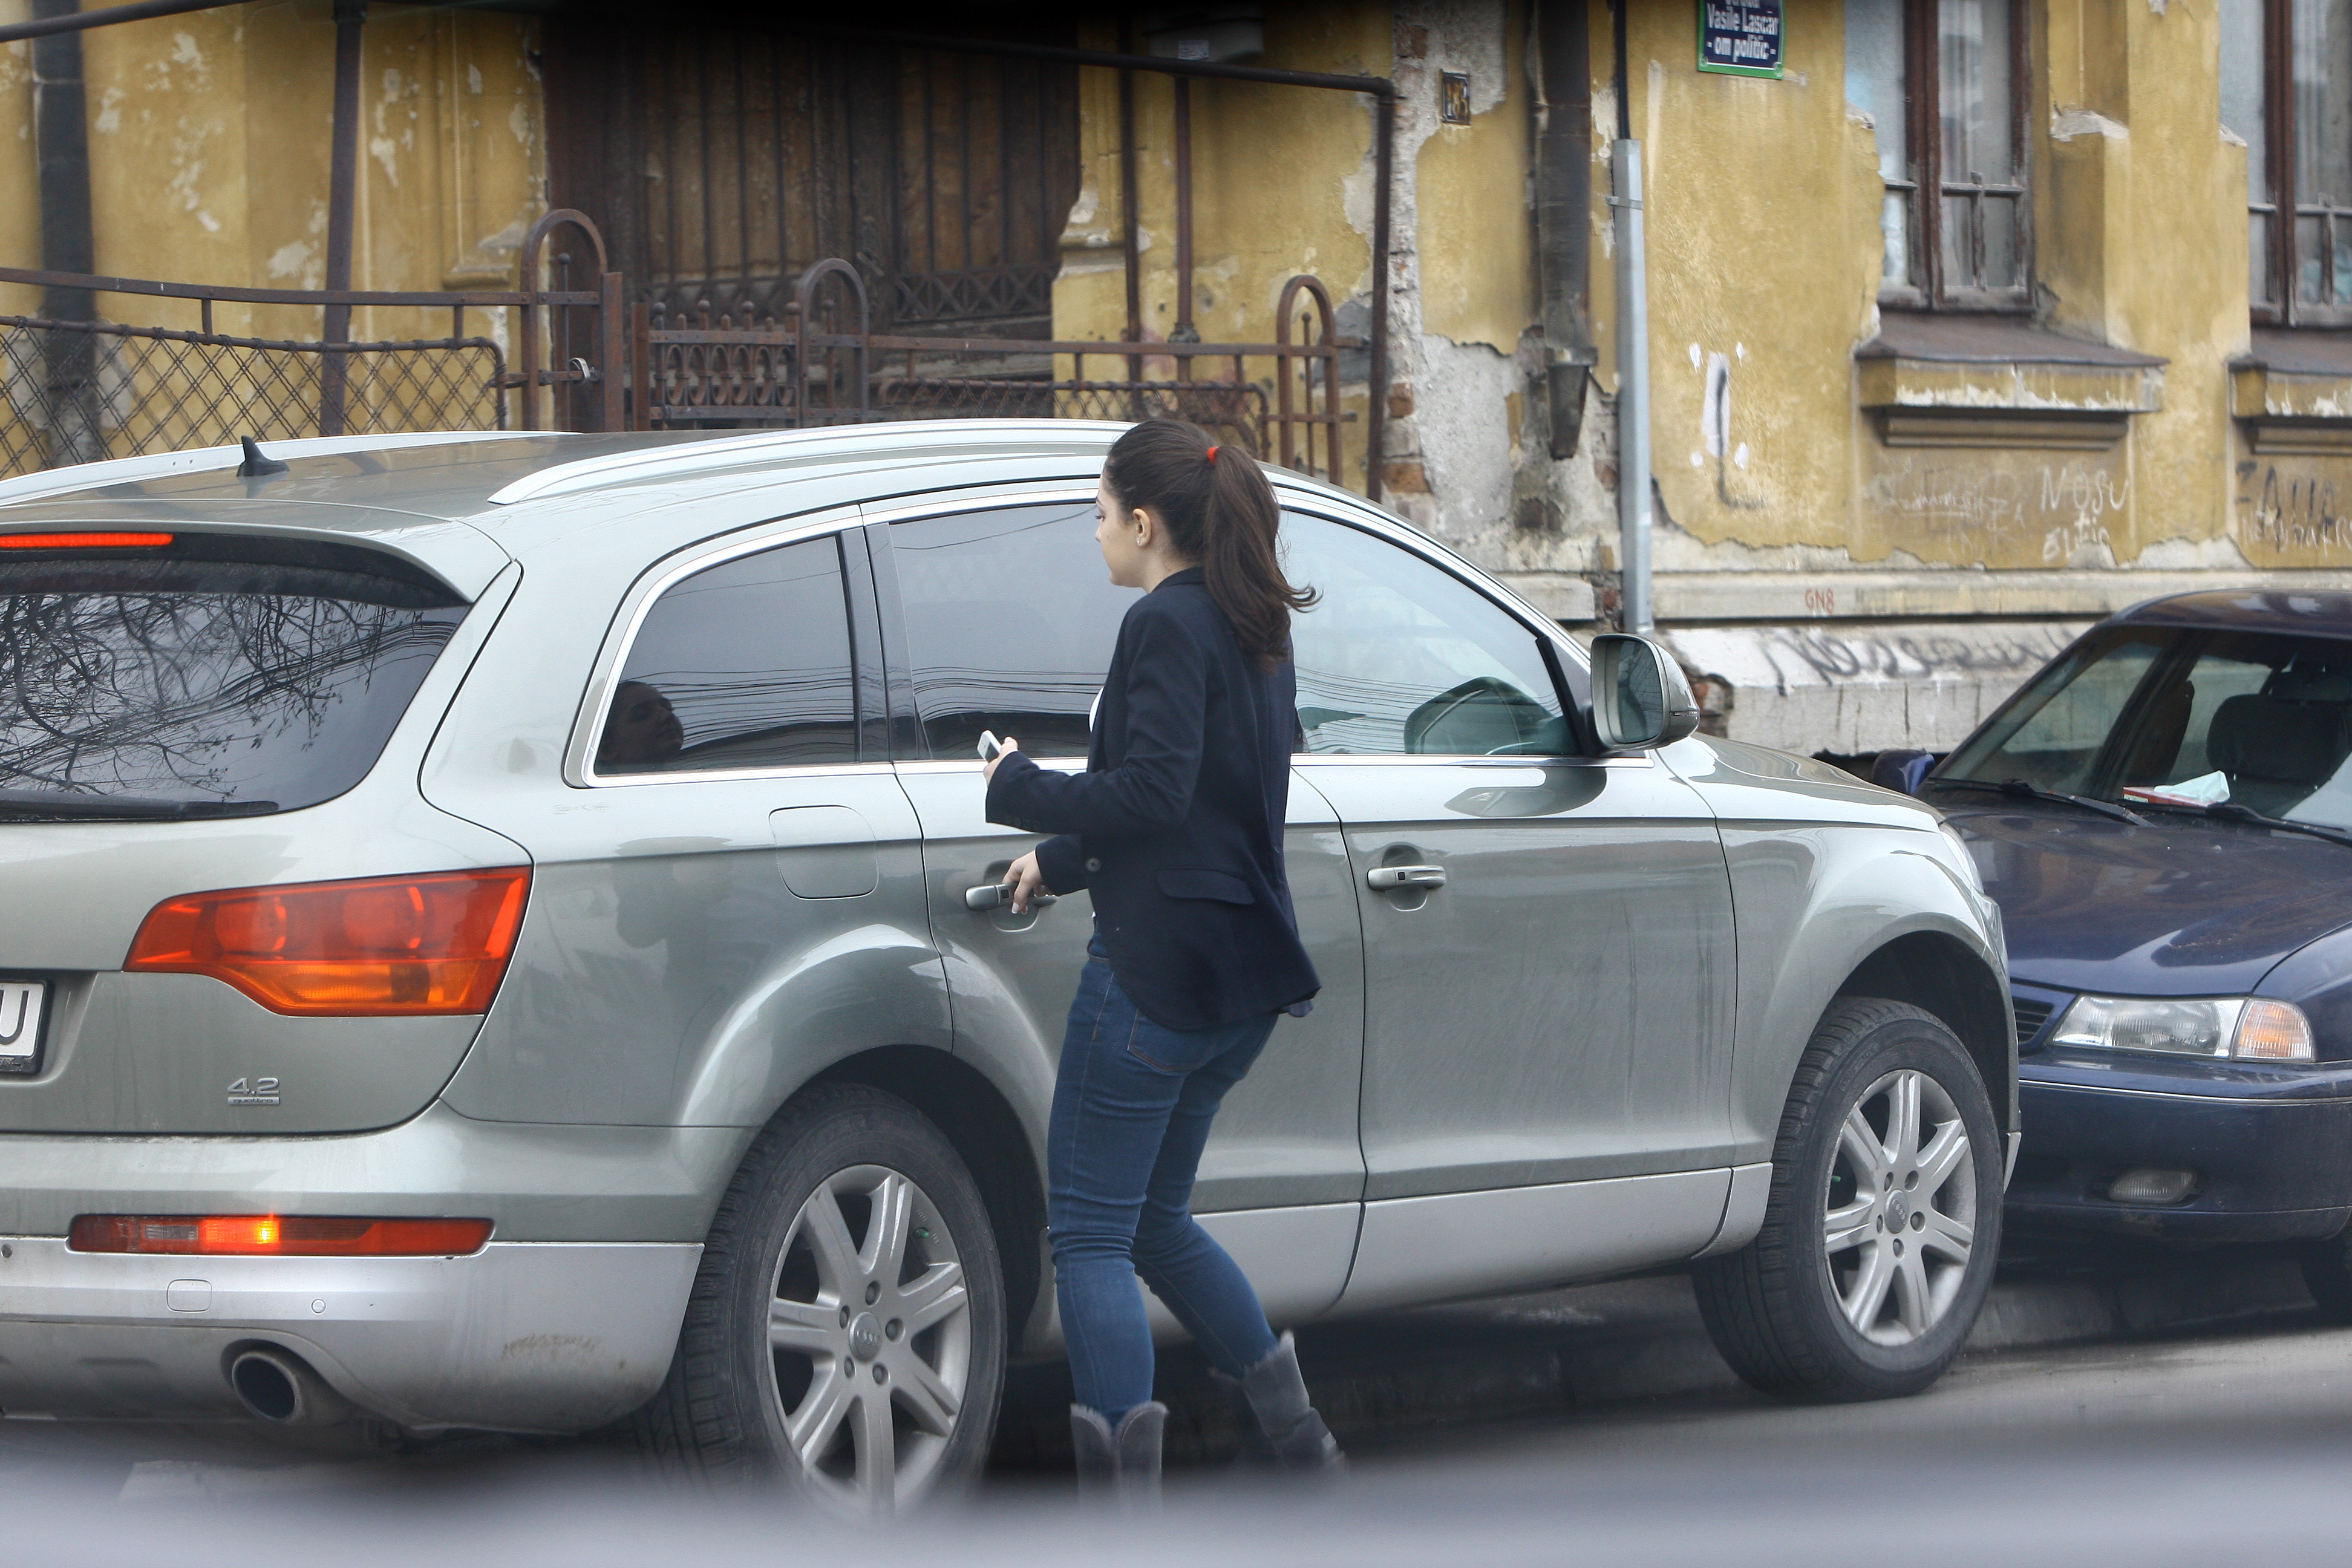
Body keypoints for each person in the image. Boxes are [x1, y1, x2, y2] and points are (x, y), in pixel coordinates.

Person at [984, 419, 1342, 1503]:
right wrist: (1062, 858)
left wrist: (1020, 787)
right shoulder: (1253, 627)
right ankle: (1302, 1451)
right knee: (1154, 1224)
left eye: (1099, 517)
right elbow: (1201, 809)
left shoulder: (1161, 625)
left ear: (1145, 524)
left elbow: (1151, 791)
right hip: (1237, 980)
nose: (1096, 537)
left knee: (1089, 1237)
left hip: (1152, 982)